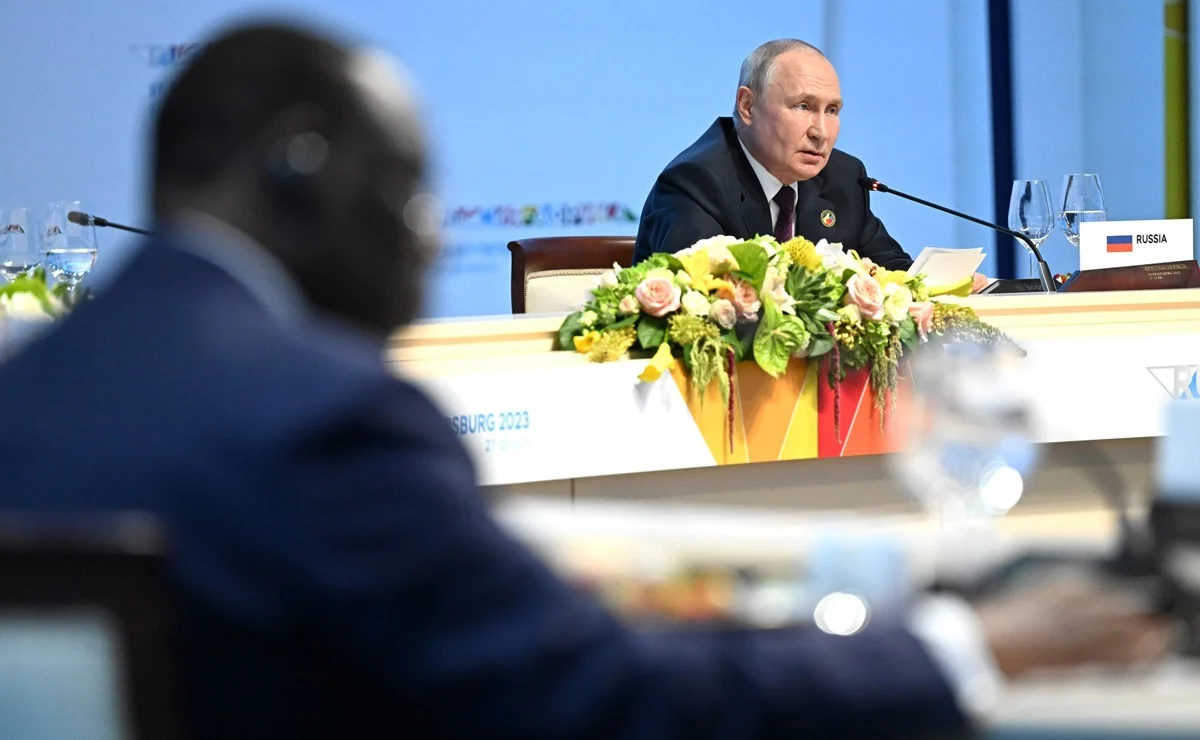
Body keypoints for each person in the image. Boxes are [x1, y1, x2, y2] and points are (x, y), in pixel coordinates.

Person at [0, 22, 1168, 740]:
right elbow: (596, 686)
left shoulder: (28, 393)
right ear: (303, 178)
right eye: (410, 193)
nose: (422, 239)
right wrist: (964, 645)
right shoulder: (333, 421)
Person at [634, 39, 989, 292]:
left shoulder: (843, 177)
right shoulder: (696, 182)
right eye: (803, 106)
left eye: (832, 110)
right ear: (747, 106)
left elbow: (892, 269)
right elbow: (706, 300)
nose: (821, 132)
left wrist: (938, 287)